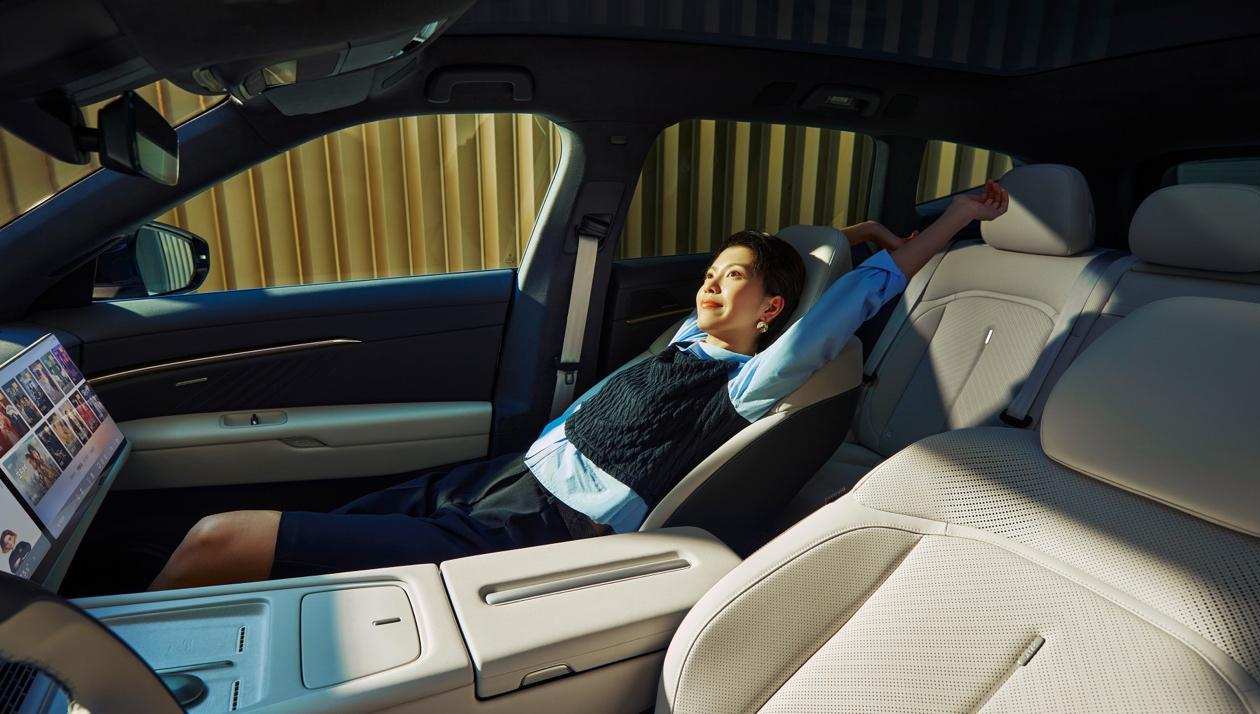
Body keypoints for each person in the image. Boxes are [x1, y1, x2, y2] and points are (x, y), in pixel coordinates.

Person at [150, 182, 1010, 590]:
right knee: (285, 551)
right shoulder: (691, 342)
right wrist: (841, 237)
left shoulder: (754, 379)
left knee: (223, 539)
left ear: (775, 309)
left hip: (537, 527)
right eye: (708, 273)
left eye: (734, 278)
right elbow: (801, 280)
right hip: (497, 481)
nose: (710, 286)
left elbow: (856, 298)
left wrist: (949, 223)